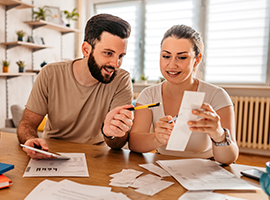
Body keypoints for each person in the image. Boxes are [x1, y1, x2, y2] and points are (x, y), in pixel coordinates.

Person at [18, 14, 134, 159]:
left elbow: (117, 144)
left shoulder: (121, 80)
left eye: (121, 56)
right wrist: (30, 139)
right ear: (86, 50)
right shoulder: (50, 73)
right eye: (108, 53)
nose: (115, 64)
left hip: (96, 157)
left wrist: (111, 133)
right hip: (52, 154)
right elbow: (26, 124)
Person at [128, 25, 239, 165]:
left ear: (197, 60)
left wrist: (219, 134)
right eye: (166, 56)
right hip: (163, 168)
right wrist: (157, 138)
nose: (172, 65)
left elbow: (230, 158)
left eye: (181, 57)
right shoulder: (148, 95)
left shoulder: (217, 96)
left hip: (204, 170)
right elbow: (134, 143)